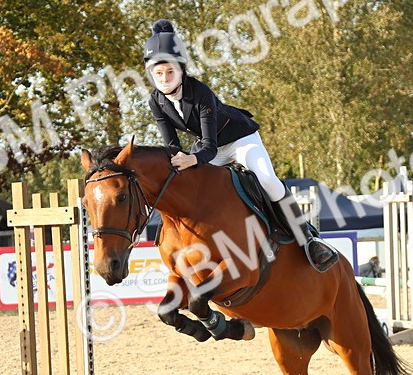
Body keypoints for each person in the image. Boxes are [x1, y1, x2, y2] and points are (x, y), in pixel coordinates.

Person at [143, 19, 337, 272]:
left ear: (181, 70)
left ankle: (309, 240)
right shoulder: (156, 101)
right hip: (205, 147)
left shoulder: (200, 92)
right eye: (158, 73)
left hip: (238, 140)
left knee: (267, 180)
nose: (165, 78)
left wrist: (193, 159)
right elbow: (172, 145)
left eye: (170, 72)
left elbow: (210, 146)